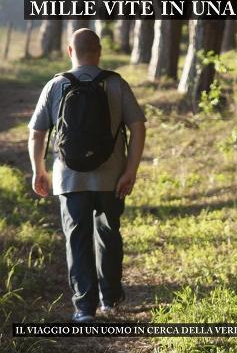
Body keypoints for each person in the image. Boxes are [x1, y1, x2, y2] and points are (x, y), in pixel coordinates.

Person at [28, 28, 146, 322]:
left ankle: (83, 309)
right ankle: (110, 300)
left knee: (77, 238)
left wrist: (39, 171)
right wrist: (130, 171)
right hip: (112, 178)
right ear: (100, 51)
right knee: (108, 234)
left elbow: (36, 132)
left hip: (69, 178)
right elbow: (138, 126)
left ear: (70, 51)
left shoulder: (55, 85)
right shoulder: (116, 84)